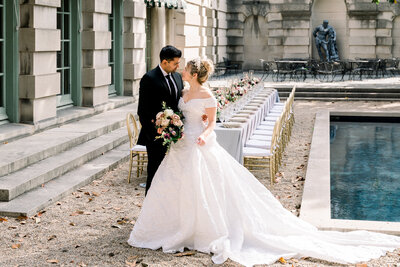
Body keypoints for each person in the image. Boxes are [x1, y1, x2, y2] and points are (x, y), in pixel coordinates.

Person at [128, 58, 400, 266]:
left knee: (203, 186)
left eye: (186, 69)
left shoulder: (208, 96)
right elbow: (179, 114)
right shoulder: (183, 92)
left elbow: (211, 124)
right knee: (173, 185)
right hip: (180, 144)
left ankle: (199, 228)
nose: (182, 71)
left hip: (199, 144)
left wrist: (204, 136)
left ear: (195, 74)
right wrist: (171, 126)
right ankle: (171, 227)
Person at [137, 45, 184, 195]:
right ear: (165, 62)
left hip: (177, 136)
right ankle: (149, 210)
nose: (178, 66)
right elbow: (142, 111)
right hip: (156, 136)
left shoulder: (177, 77)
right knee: (155, 172)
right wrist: (155, 134)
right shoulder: (149, 78)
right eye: (175, 63)